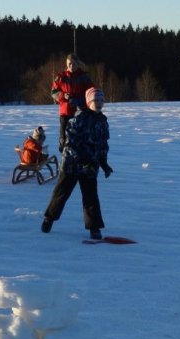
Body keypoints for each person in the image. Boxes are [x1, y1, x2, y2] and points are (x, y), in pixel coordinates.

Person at [41, 87, 113, 240]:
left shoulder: (103, 121)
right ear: (88, 102)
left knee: (91, 197)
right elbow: (71, 143)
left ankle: (94, 228)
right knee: (61, 194)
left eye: (101, 100)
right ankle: (49, 218)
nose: (99, 103)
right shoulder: (78, 119)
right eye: (95, 100)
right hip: (71, 166)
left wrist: (104, 163)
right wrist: (81, 160)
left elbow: (102, 144)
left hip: (90, 167)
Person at [51, 53, 94, 152]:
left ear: (77, 64)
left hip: (80, 112)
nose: (71, 66)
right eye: (69, 64)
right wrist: (63, 95)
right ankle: (64, 158)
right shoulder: (60, 77)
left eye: (74, 64)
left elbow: (91, 93)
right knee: (64, 139)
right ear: (67, 64)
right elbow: (53, 92)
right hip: (65, 113)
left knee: (79, 138)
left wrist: (79, 100)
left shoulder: (84, 77)